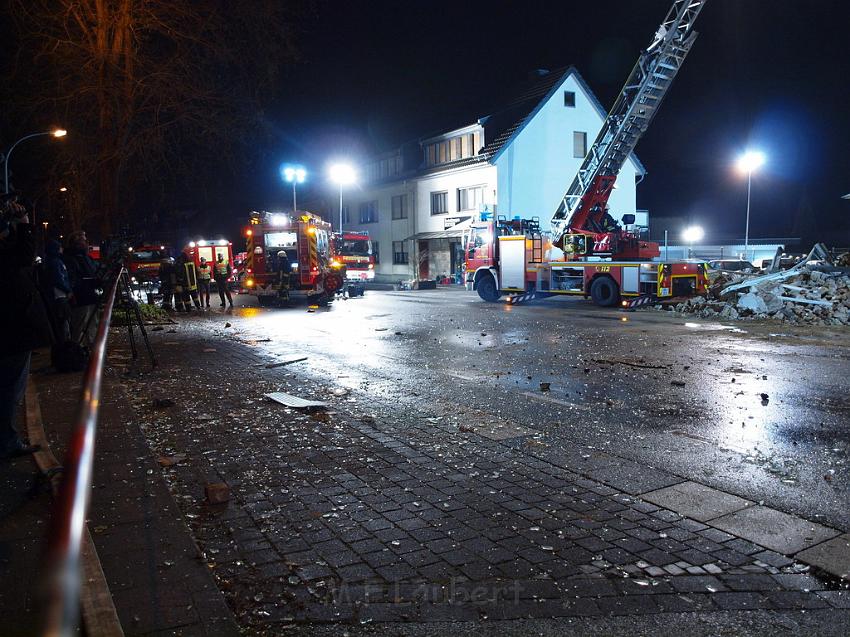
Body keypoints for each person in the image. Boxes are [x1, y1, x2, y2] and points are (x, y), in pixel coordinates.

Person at [0, 195, 52, 458]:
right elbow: (23, 256)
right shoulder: (7, 258)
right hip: (13, 329)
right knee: (10, 387)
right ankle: (6, 441)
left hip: (13, 329)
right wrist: (22, 223)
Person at [63, 230, 99, 347]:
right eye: (84, 240)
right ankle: (76, 354)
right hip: (81, 299)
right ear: (77, 243)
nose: (87, 243)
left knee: (92, 327)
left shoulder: (86, 257)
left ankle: (91, 354)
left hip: (91, 298)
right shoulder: (71, 258)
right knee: (79, 328)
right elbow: (73, 279)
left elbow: (95, 272)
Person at [43, 239, 72, 342]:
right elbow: (59, 279)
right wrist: (68, 290)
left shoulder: (51, 262)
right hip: (60, 297)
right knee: (63, 323)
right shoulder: (56, 262)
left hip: (58, 297)